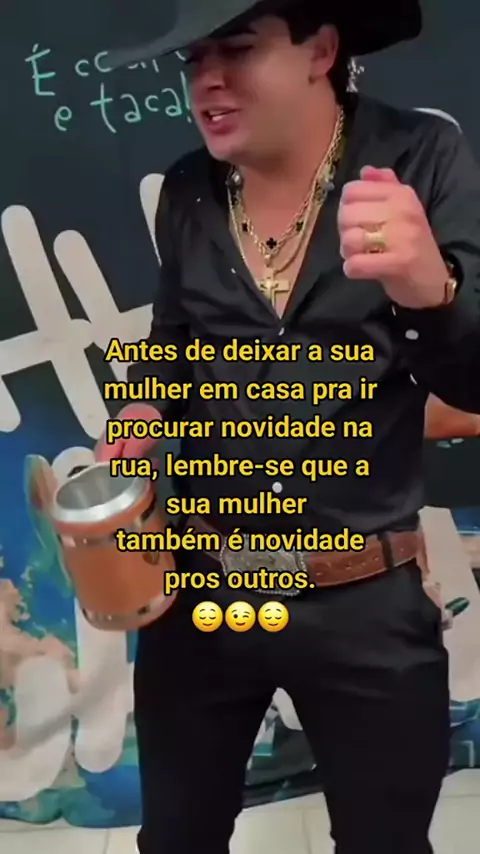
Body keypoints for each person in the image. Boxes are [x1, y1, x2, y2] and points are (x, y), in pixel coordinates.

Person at [97, 0, 480, 851]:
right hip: (207, 587)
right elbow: (174, 340)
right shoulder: (189, 190)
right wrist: (143, 407)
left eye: (237, 48)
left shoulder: (419, 159)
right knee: (177, 838)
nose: (207, 81)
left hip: (364, 596)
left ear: (322, 51)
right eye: (194, 60)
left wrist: (433, 291)